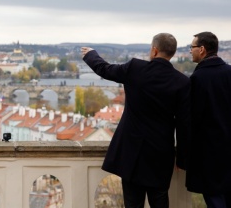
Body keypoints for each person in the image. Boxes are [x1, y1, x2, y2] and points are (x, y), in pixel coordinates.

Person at [81, 33, 190, 208]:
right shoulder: (182, 82)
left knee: (133, 203)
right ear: (172, 53)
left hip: (132, 151)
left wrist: (91, 54)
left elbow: (105, 69)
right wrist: (182, 158)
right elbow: (184, 124)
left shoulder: (135, 68)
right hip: (161, 153)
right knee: (160, 200)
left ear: (154, 50)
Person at [186, 31, 231, 208]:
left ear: (202, 50)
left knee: (214, 199)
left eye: (192, 47)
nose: (190, 51)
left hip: (209, 154)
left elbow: (192, 118)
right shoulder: (229, 72)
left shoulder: (198, 78)